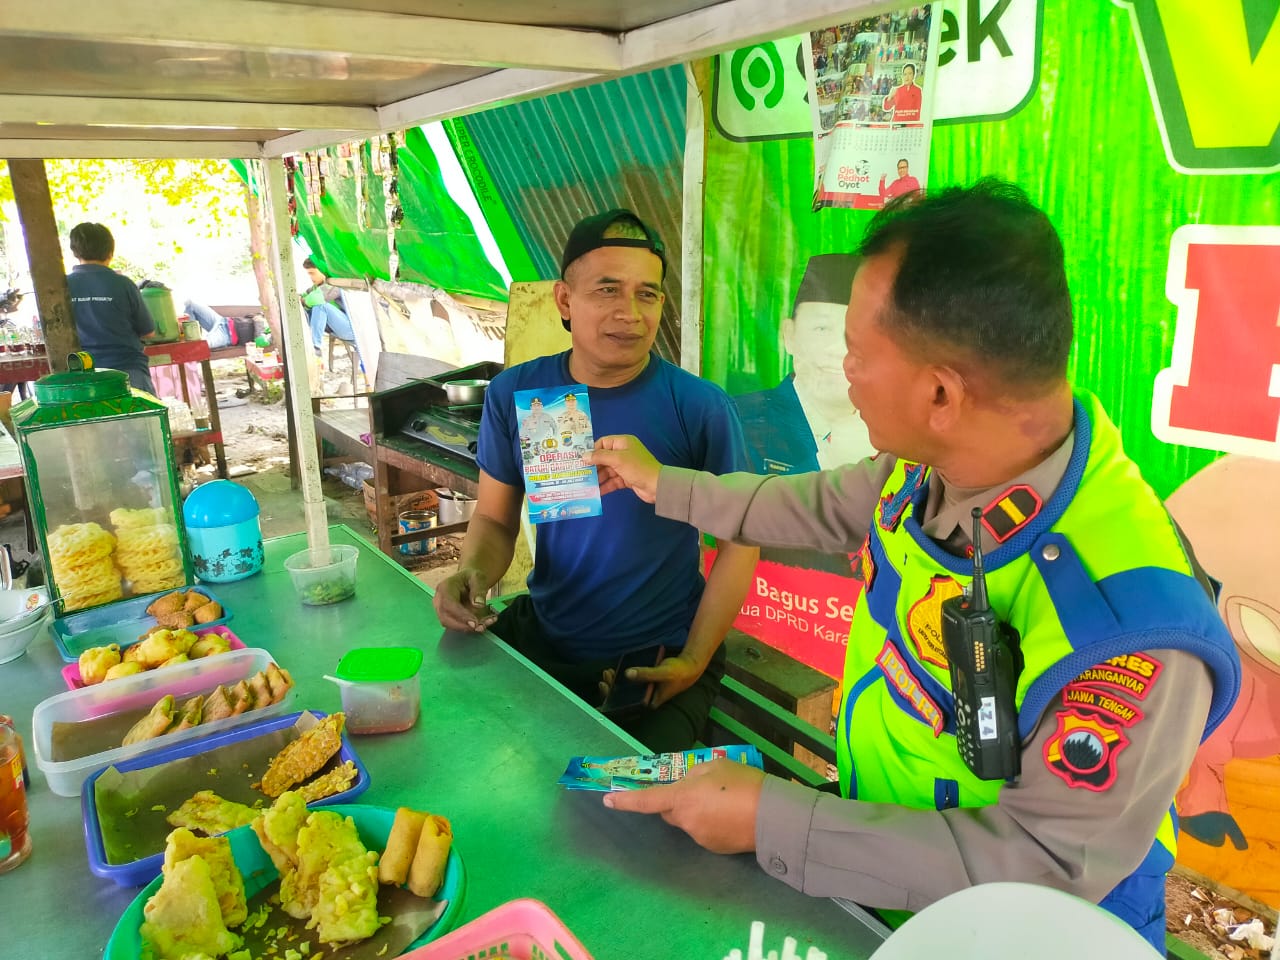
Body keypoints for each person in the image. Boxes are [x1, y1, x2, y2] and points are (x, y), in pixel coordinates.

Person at [584, 180, 1241, 951]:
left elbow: (1045, 861)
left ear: (939, 392)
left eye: (858, 354)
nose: (844, 371)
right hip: (893, 879)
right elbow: (821, 505)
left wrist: (774, 819)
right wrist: (664, 484)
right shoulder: (948, 462)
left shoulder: (1128, 622)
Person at [433, 208, 759, 752]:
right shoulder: (519, 394)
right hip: (546, 636)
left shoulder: (699, 408)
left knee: (632, 812)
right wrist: (470, 575)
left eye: (648, 294)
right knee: (470, 748)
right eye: (608, 290)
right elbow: (493, 517)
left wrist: (694, 660)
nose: (629, 313)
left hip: (653, 661)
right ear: (565, 300)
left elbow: (740, 543)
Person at [734, 254, 870, 475]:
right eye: (822, 329)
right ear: (789, 335)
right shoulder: (738, 421)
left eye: (856, 332)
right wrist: (831, 459)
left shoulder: (896, 431)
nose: (839, 349)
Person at [65, 222, 155, 393]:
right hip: (128, 372)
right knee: (141, 419)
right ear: (110, 253)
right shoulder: (123, 284)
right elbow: (148, 332)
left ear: (74, 252)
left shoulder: (61, 287)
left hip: (82, 376)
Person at [301, 257, 362, 372]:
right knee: (305, 310)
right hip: (337, 328)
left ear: (322, 270)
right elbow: (305, 296)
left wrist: (303, 301)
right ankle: (306, 344)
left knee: (320, 306)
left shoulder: (335, 283)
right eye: (308, 274)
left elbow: (316, 298)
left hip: (352, 329)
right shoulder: (316, 286)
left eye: (312, 273)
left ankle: (316, 348)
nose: (311, 277)